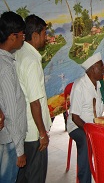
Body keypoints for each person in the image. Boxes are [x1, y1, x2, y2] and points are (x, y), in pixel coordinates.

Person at [15, 14, 52, 183]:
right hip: (33, 132)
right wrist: (42, 134)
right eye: (44, 34)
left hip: (25, 129)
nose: (47, 38)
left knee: (24, 175)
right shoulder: (31, 61)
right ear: (35, 35)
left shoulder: (20, 52)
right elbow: (35, 102)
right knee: (36, 176)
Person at [67, 52, 104, 183]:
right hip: (78, 126)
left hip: (94, 125)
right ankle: (84, 180)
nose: (103, 69)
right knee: (86, 143)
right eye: (101, 66)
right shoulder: (80, 85)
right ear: (93, 69)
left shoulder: (98, 84)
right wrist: (90, 131)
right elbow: (75, 117)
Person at [0, 11, 27, 183]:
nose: (23, 38)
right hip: (11, 140)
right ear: (12, 36)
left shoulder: (6, 61)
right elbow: (11, 112)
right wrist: (19, 150)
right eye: (22, 35)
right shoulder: (5, 68)